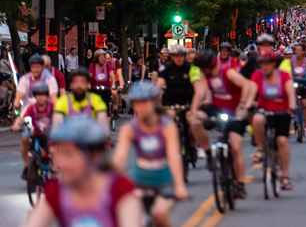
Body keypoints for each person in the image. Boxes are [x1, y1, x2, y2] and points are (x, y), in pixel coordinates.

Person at [24, 118, 142, 227]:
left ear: (94, 157)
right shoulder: (56, 191)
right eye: (60, 154)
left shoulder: (120, 189)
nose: (61, 164)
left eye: (68, 155)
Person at [112, 82, 187, 227]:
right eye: (137, 103)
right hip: (139, 180)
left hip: (165, 180)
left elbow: (174, 156)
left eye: (145, 102)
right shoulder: (129, 128)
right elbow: (120, 158)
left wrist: (179, 185)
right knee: (131, 221)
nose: (141, 107)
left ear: (154, 102)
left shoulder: (167, 126)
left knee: (159, 214)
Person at [193, 50, 254, 198]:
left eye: (202, 67)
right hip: (217, 109)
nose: (201, 71)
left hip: (235, 112)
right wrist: (193, 110)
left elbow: (247, 85)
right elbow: (200, 92)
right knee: (194, 120)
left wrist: (244, 105)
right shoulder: (205, 76)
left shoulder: (228, 72)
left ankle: (240, 183)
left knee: (235, 146)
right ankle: (207, 151)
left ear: (209, 66)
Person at [247, 49, 295, 191]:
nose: (264, 67)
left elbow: (291, 93)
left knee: (282, 141)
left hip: (282, 111)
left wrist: (292, 107)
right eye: (262, 64)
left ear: (274, 63)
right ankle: (261, 149)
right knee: (256, 119)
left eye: (267, 64)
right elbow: (252, 91)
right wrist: (248, 104)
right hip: (264, 110)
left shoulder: (284, 76)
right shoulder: (257, 75)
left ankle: (285, 176)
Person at [157, 45, 207, 159]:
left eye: (181, 55)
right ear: (172, 57)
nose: (178, 58)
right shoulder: (165, 69)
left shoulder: (192, 68)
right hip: (170, 101)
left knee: (192, 121)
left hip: (188, 101)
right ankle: (170, 145)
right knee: (169, 118)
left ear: (184, 56)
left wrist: (195, 105)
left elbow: (198, 88)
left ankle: (193, 146)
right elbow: (158, 85)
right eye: (175, 56)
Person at [11, 82, 53, 180]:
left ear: (46, 95)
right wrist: (17, 124)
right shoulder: (32, 107)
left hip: (49, 135)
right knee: (30, 151)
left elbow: (58, 118)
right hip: (36, 134)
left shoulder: (51, 106)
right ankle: (29, 167)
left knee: (53, 151)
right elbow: (22, 117)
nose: (40, 97)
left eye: (43, 94)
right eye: (38, 95)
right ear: (35, 96)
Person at [288, 43, 306, 137]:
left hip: (304, 83)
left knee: (305, 104)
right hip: (294, 83)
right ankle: (293, 120)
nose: (297, 52)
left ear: (303, 52)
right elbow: (289, 72)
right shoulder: (292, 61)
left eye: (299, 50)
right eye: (296, 50)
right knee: (292, 103)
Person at [88, 50, 115, 115]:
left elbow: (112, 76)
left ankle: (107, 116)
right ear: (97, 58)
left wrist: (113, 85)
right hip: (94, 88)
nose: (102, 59)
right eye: (101, 57)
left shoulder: (108, 66)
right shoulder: (92, 66)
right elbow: (89, 76)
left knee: (106, 104)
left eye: (104, 57)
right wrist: (88, 84)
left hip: (106, 88)